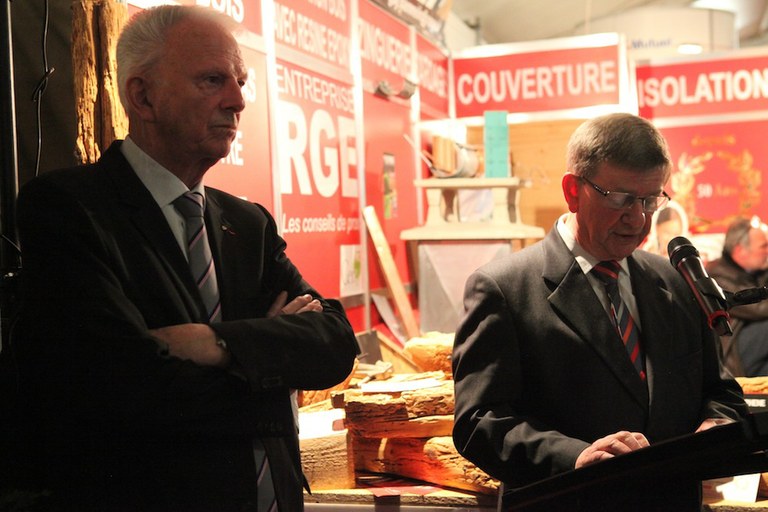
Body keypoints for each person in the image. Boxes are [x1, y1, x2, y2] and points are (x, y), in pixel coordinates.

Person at [5, 5, 358, 511]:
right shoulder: (68, 209)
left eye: (240, 81)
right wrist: (275, 371)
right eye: (213, 80)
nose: (237, 100)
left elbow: (336, 342)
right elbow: (128, 388)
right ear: (142, 96)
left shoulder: (248, 224)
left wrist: (215, 342)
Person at [452, 113, 748, 511]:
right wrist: (575, 457)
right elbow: (478, 423)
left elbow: (719, 390)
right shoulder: (504, 288)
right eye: (620, 198)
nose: (638, 219)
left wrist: (717, 429)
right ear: (573, 191)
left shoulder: (674, 280)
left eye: (650, 200)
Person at [706, 216, 768, 377]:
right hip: (733, 352)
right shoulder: (716, 277)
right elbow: (758, 308)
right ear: (740, 251)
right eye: (764, 246)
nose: (767, 251)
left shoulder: (756, 271)